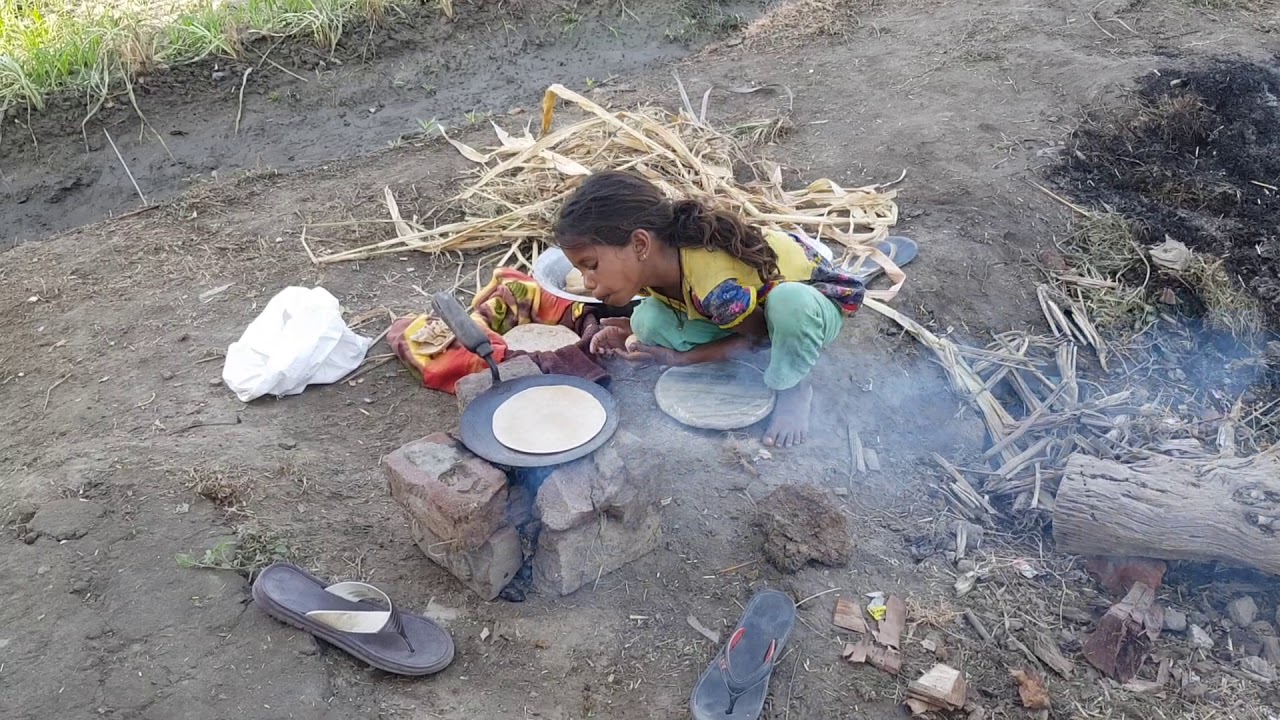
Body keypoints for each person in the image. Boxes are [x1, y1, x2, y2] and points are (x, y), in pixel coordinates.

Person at [551, 170, 867, 447]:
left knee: (789, 304)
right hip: (743, 312)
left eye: (591, 265)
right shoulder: (656, 267)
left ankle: (795, 387)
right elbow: (680, 308)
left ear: (640, 244)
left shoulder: (715, 287)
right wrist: (630, 331)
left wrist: (681, 358)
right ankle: (741, 356)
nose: (587, 281)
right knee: (647, 320)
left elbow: (760, 339)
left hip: (811, 304)